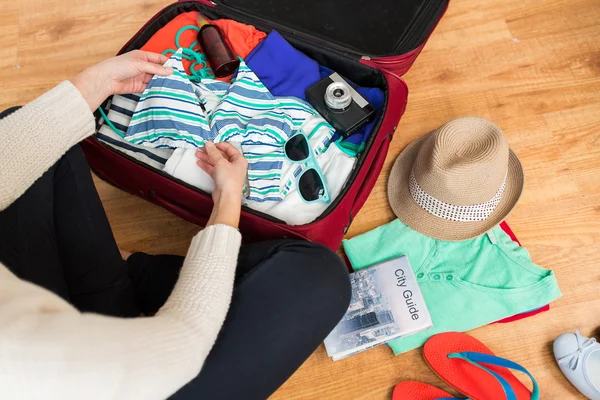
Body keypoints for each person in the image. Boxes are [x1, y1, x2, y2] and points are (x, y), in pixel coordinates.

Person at [0, 50, 351, 400]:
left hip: (53, 326)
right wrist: (227, 200)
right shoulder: (20, 361)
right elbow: (180, 348)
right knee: (319, 277)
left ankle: (122, 275)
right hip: (106, 377)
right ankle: (126, 281)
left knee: (32, 134)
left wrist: (94, 83)